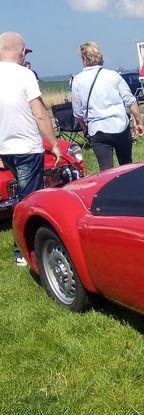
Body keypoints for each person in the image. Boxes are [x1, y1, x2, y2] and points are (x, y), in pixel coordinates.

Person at [0, 32, 62, 266]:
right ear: (19, 52)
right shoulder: (25, 74)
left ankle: (25, 245)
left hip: (6, 148)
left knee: (21, 195)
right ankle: (25, 250)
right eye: (24, 52)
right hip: (27, 146)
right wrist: (54, 144)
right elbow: (39, 113)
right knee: (30, 200)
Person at [72, 41, 144, 171]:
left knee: (106, 170)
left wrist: (85, 128)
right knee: (127, 165)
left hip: (97, 129)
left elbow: (77, 113)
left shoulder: (77, 80)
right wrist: (139, 122)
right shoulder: (113, 75)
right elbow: (130, 101)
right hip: (120, 125)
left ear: (84, 59)